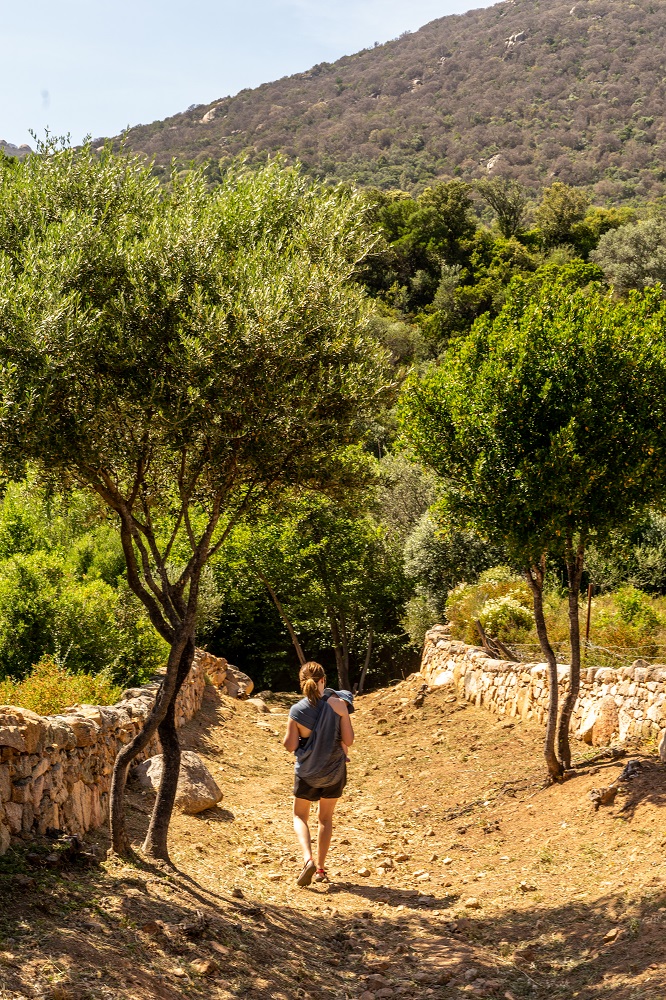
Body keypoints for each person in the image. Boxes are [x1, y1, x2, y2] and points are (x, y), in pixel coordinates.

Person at [283, 661, 354, 887]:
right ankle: (321, 870)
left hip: (307, 773)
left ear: (302, 683)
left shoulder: (297, 710)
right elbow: (349, 740)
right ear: (323, 680)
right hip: (334, 772)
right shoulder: (339, 705)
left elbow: (290, 745)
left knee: (299, 816)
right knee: (325, 819)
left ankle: (308, 860)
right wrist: (343, 715)